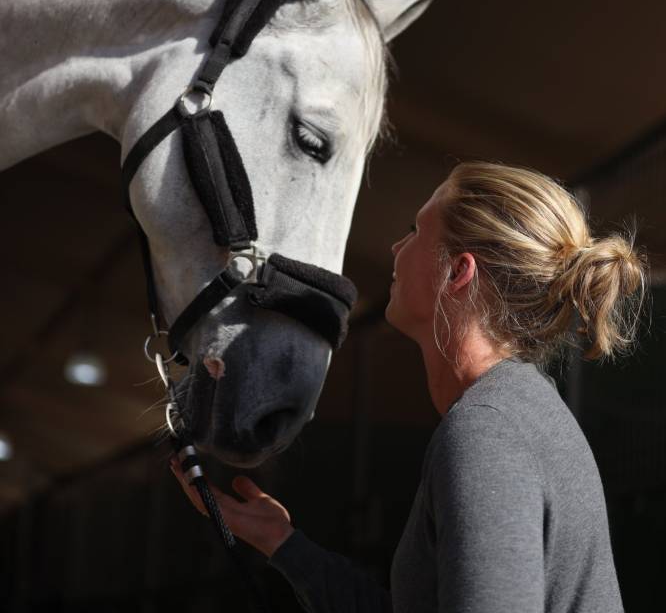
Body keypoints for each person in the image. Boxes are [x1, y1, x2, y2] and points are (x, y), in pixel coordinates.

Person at [171, 161, 646, 612]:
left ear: (458, 272)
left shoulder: (488, 434)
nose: (397, 248)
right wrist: (280, 542)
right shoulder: (512, 414)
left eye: (416, 230)